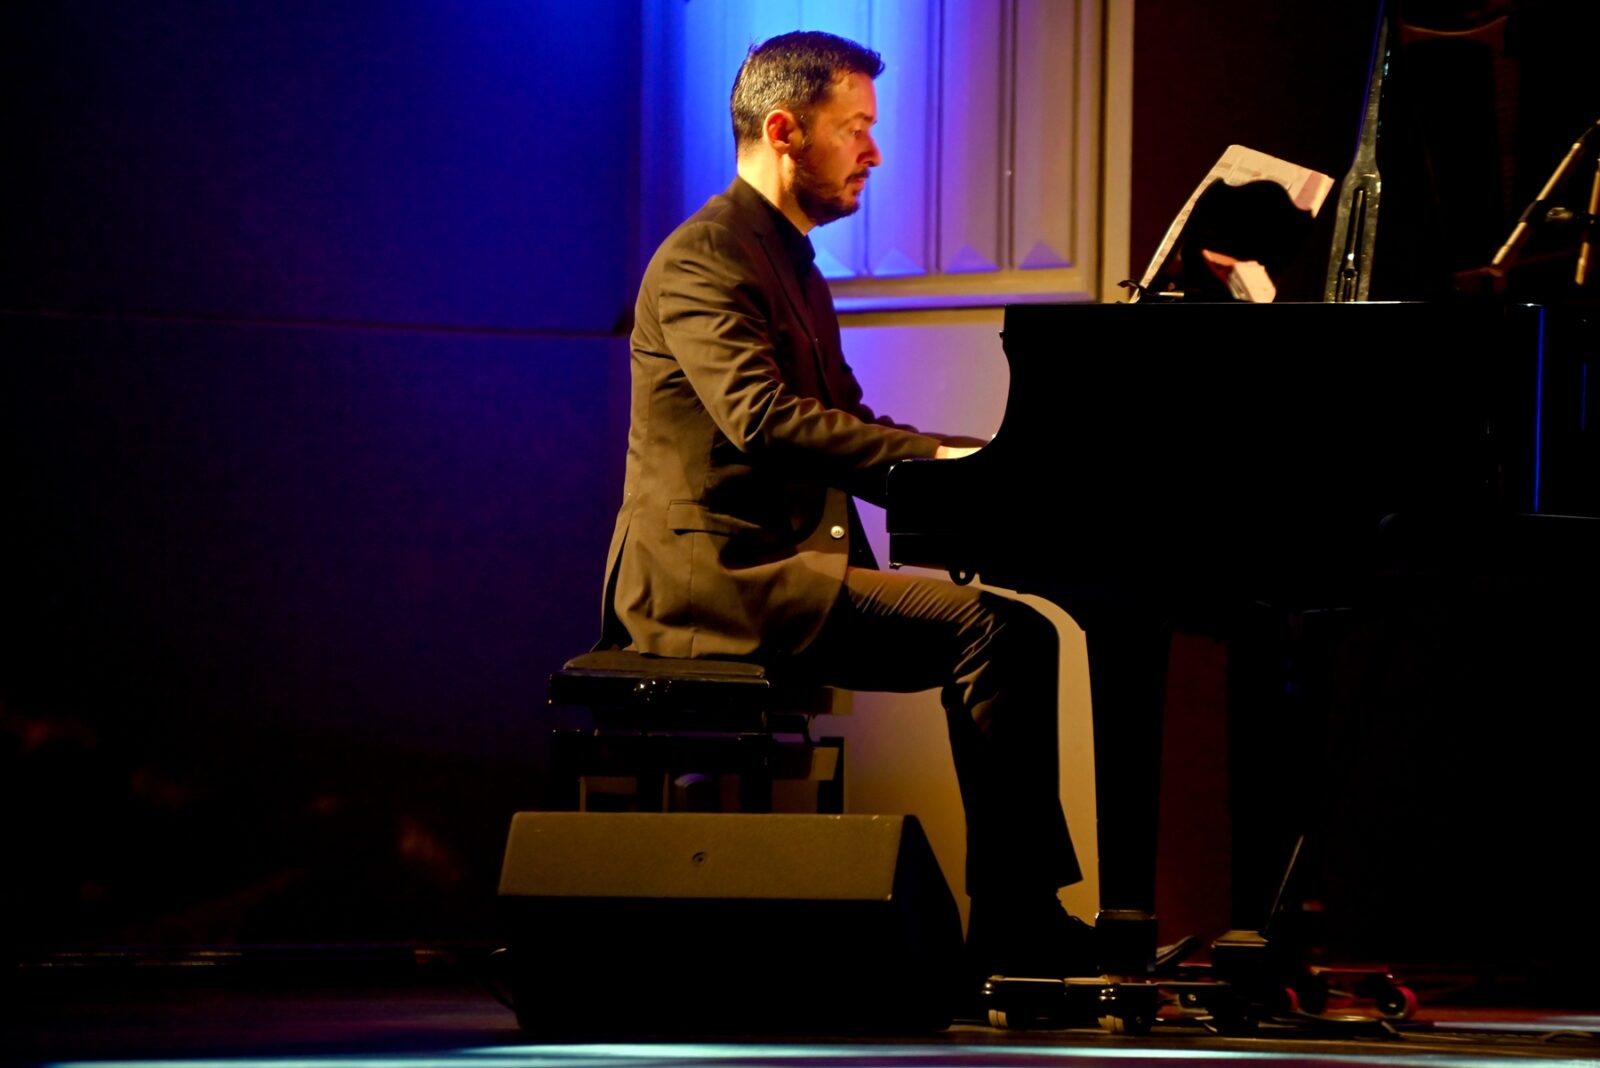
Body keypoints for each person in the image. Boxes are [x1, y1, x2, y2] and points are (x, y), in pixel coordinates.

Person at [598, 29, 1095, 989]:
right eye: (854, 127)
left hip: (780, 570)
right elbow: (764, 418)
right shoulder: (705, 256)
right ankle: (1016, 926)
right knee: (1001, 635)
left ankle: (1016, 920)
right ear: (785, 130)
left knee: (1011, 635)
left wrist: (980, 468)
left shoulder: (791, 263)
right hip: (716, 581)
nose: (874, 151)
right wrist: (948, 462)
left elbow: (848, 424)